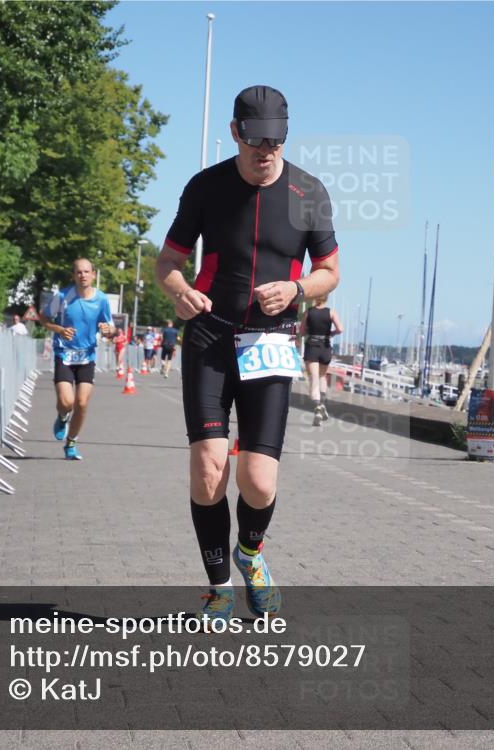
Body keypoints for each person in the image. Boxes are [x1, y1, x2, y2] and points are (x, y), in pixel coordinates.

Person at [155, 85, 339, 623]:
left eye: (277, 142)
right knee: (209, 469)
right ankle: (217, 587)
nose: (266, 152)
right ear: (235, 133)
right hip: (210, 338)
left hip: (272, 342)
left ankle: (251, 555)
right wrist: (179, 290)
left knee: (258, 480)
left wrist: (299, 289)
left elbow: (331, 269)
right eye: (257, 141)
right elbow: (166, 262)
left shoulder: (310, 192)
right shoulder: (206, 187)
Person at [39, 258, 118, 460]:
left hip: (87, 356)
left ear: (93, 274)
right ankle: (63, 417)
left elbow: (111, 329)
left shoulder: (101, 299)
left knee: (81, 403)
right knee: (67, 402)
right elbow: (43, 318)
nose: (83, 275)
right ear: (73, 276)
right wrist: (59, 329)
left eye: (86, 271)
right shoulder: (63, 296)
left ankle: (71, 442)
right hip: (64, 354)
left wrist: (109, 331)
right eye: (78, 272)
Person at [299, 297, 342, 425]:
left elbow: (301, 332)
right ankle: (322, 404)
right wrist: (332, 333)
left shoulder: (309, 312)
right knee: (323, 377)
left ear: (315, 298)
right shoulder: (331, 312)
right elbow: (340, 329)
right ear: (326, 298)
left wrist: (307, 331)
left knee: (314, 379)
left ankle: (318, 408)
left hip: (312, 346)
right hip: (325, 347)